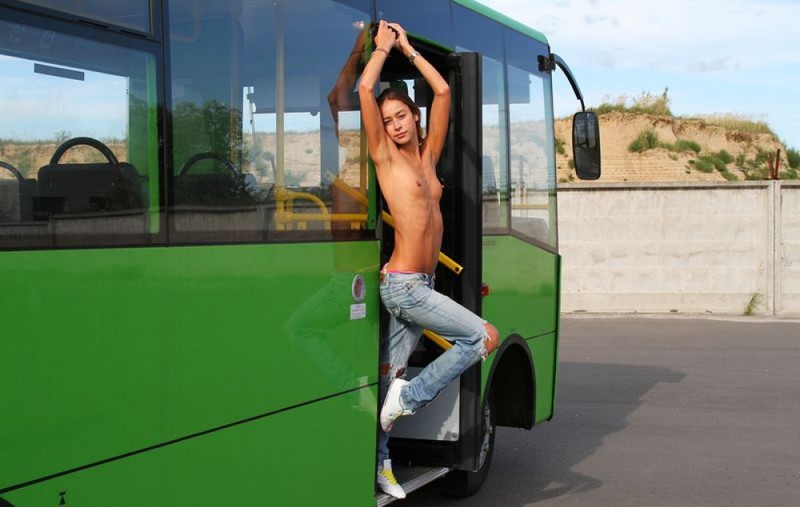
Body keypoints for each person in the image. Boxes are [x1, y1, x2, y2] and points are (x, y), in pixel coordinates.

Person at [358, 20, 500, 499]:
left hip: (423, 284)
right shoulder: (386, 158)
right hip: (404, 286)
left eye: (401, 115)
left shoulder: (427, 157)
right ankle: (413, 398)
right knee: (482, 336)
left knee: (388, 382)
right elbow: (364, 89)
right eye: (388, 120)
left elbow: (442, 91)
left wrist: (410, 50)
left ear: (414, 116)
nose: (395, 125)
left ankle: (381, 465)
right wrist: (383, 49)